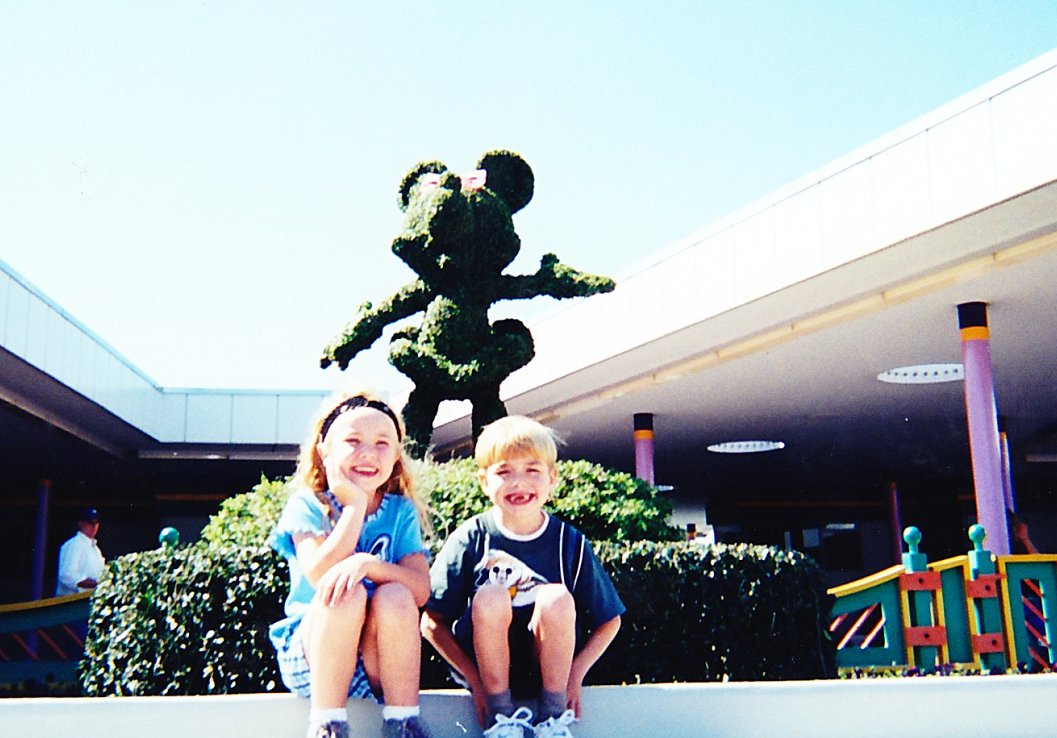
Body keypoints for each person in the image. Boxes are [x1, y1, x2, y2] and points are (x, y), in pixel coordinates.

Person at [421, 416, 624, 738]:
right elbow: (432, 622)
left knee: (555, 597)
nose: (518, 483)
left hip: (547, 674)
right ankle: (502, 722)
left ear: (552, 478)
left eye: (532, 470)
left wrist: (575, 675)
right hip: (489, 680)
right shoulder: (472, 537)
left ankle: (553, 721)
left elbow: (609, 620)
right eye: (504, 472)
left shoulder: (568, 542)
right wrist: (474, 680)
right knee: (491, 594)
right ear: (484, 481)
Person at [268, 391, 434, 738]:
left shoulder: (399, 511)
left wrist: (367, 564)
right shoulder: (309, 505)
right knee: (346, 593)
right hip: (314, 658)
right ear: (324, 449)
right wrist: (355, 507)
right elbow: (318, 574)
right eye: (353, 441)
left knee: (396, 596)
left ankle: (403, 723)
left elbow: (420, 590)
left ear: (396, 455)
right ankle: (327, 725)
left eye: (382, 443)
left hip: (377, 664)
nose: (368, 454)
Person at [55, 506, 105, 596]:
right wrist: (96, 584)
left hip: (89, 599)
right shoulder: (74, 544)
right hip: (70, 602)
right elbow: (67, 575)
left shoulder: (96, 549)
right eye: (90, 523)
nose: (94, 526)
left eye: (96, 523)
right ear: (81, 523)